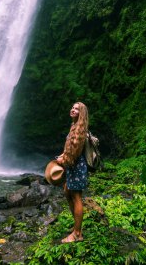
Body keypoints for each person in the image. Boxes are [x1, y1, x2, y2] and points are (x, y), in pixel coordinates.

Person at [56, 101, 88, 243]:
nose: (73, 110)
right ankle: (77, 225)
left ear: (82, 113)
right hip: (71, 165)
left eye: (77, 109)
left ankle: (77, 234)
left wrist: (64, 160)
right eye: (73, 107)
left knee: (76, 197)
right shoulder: (74, 126)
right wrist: (63, 155)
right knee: (67, 191)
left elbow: (76, 152)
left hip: (76, 166)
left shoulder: (80, 129)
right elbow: (70, 148)